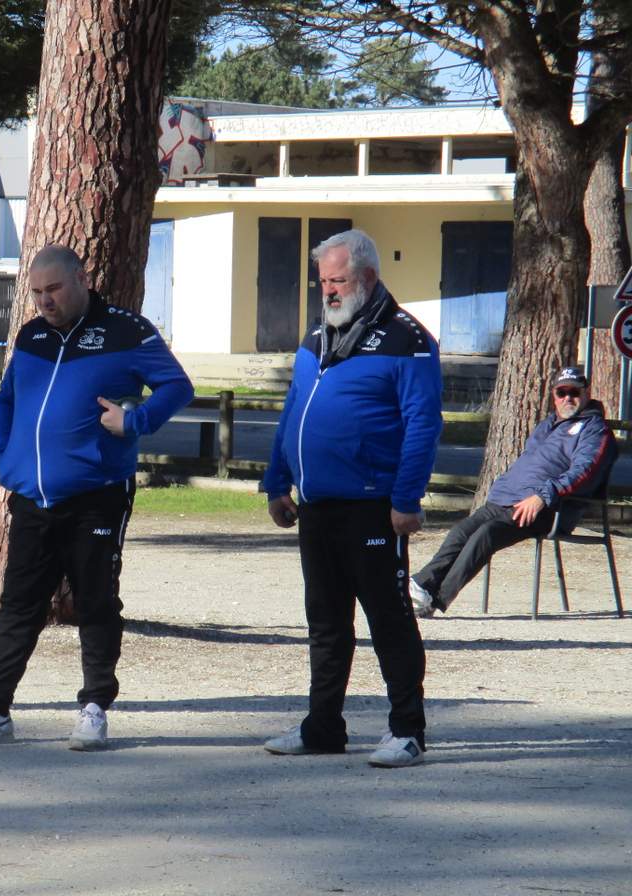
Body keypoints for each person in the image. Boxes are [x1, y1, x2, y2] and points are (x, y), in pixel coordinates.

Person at [0, 244, 194, 750]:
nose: (44, 302)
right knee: (18, 605)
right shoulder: (32, 335)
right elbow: (8, 400)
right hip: (33, 496)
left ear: (81, 279)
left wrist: (136, 420)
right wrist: (6, 460)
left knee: (96, 600)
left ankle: (94, 708)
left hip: (97, 495)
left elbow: (177, 387)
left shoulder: (127, 330)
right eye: (36, 293)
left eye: (53, 290)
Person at [260, 228, 442, 768]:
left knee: (388, 619)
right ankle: (323, 727)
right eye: (322, 281)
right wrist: (276, 482)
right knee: (326, 622)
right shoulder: (318, 336)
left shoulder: (408, 340)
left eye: (337, 280)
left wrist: (406, 499)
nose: (328, 291)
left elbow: (422, 424)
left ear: (366, 277)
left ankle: (407, 730)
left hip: (373, 505)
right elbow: (292, 412)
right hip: (316, 505)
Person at [410, 367, 616, 616]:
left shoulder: (595, 430)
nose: (567, 398)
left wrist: (542, 496)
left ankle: (435, 600)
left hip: (549, 507)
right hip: (507, 499)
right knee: (461, 531)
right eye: (562, 392)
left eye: (574, 392)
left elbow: (585, 472)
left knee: (486, 534)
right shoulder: (547, 425)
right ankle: (421, 585)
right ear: (554, 394)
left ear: (585, 394)